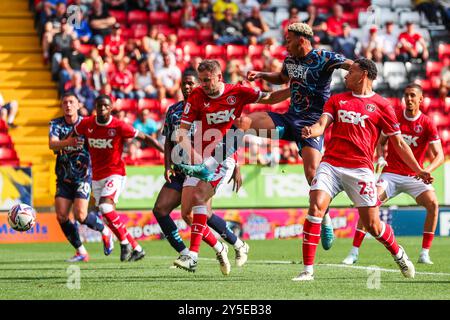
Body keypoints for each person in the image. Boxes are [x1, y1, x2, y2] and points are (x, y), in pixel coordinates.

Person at [184, 23, 353, 250]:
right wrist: (263, 75)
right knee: (244, 122)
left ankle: (326, 217)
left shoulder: (324, 56)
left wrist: (357, 74)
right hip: (289, 119)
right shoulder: (291, 60)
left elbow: (351, 64)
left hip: (311, 126)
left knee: (313, 175)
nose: (285, 44)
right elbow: (282, 77)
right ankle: (212, 164)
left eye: (288, 39)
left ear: (302, 40)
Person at [295, 58, 432, 281]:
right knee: (315, 207)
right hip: (331, 164)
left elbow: (398, 142)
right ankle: (307, 271)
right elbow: (322, 124)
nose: (346, 75)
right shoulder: (337, 100)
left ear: (364, 74)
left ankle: (399, 254)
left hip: (360, 170)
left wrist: (418, 169)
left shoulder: (383, 105)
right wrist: (313, 131)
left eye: (351, 71)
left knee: (373, 226)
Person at [173, 60, 290, 273]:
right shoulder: (197, 96)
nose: (204, 85)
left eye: (207, 80)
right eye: (201, 81)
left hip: (224, 156)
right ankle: (228, 246)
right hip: (200, 155)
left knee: (199, 197)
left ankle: (193, 255)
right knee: (187, 214)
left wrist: (294, 89)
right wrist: (196, 158)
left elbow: (271, 98)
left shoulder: (239, 92)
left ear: (219, 77)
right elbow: (181, 133)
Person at [154, 70, 250, 271]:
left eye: (191, 83)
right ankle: (199, 251)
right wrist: (167, 166)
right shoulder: (173, 111)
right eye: (184, 84)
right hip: (181, 168)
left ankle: (233, 245)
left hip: (206, 165)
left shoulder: (209, 105)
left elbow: (229, 133)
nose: (187, 87)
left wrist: (236, 163)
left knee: (201, 212)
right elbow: (169, 141)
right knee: (168, 211)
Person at [342, 83, 444, 266]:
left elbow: (440, 155)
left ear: (421, 99)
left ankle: (424, 254)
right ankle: (354, 252)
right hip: (391, 174)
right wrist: (380, 157)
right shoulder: (395, 117)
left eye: (413, 95)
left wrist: (427, 171)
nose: (409, 99)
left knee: (433, 204)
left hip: (415, 175)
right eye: (406, 95)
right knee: (369, 203)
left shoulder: (427, 123)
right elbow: (381, 142)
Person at [74, 95, 164, 262]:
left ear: (110, 108)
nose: (102, 109)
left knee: (105, 208)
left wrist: (165, 154)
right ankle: (137, 248)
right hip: (97, 176)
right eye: (99, 106)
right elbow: (74, 135)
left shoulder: (118, 126)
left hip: (115, 173)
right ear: (95, 107)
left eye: (105, 106)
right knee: (108, 215)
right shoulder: (87, 124)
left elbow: (145, 137)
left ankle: (124, 243)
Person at [49, 93, 114, 262]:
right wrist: (69, 142)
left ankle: (105, 231)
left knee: (81, 215)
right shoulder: (56, 124)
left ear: (78, 104)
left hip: (83, 176)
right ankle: (81, 252)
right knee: (62, 216)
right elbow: (52, 144)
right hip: (63, 176)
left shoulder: (87, 124)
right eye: (65, 103)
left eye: (71, 102)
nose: (68, 105)